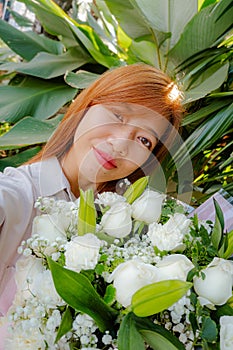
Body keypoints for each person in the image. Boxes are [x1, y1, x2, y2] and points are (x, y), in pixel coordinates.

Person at [0, 63, 183, 323]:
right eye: (118, 115)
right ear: (87, 106)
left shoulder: (127, 231)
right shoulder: (20, 193)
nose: (121, 145)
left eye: (144, 140)